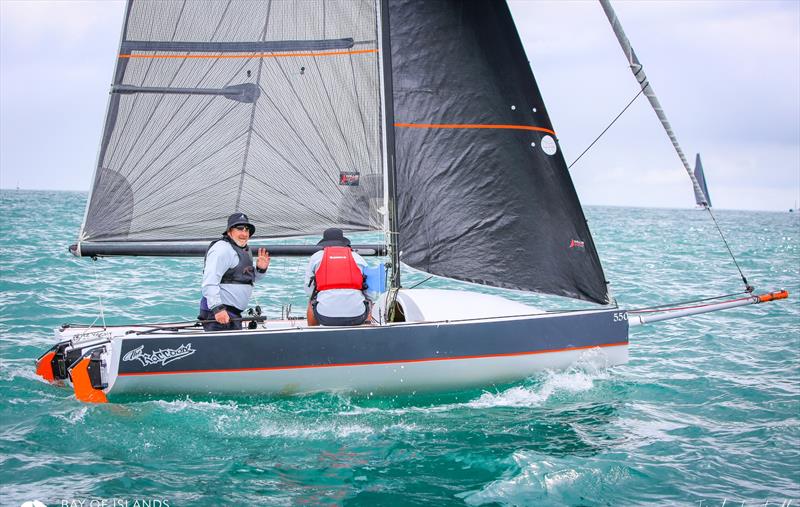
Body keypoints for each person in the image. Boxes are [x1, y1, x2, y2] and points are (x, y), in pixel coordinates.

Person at [199, 213, 270, 331]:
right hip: (219, 313)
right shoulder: (222, 249)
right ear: (229, 232)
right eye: (240, 229)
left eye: (247, 230)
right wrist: (218, 309)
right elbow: (209, 282)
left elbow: (245, 279)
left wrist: (261, 269)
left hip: (232, 314)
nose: (244, 233)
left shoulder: (244, 249)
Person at [305, 228, 370, 326]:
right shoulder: (358, 258)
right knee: (369, 300)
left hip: (325, 317)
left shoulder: (316, 257)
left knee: (311, 300)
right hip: (357, 316)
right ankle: (366, 330)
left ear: (324, 244)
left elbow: (308, 289)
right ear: (343, 243)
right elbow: (370, 292)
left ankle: (312, 333)